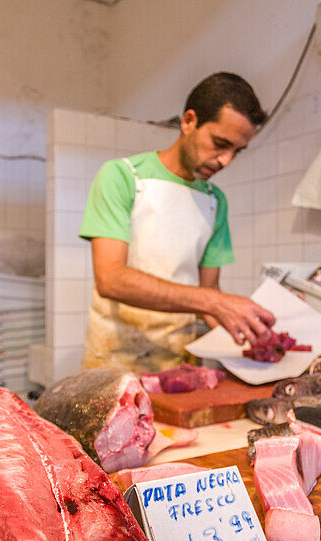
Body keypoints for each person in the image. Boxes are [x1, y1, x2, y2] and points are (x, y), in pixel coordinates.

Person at [78, 72, 276, 372]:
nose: (226, 160)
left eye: (237, 150)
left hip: (180, 365)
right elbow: (111, 278)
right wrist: (213, 302)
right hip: (114, 362)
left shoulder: (214, 200)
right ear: (188, 121)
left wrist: (249, 328)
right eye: (220, 143)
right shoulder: (122, 177)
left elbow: (209, 290)